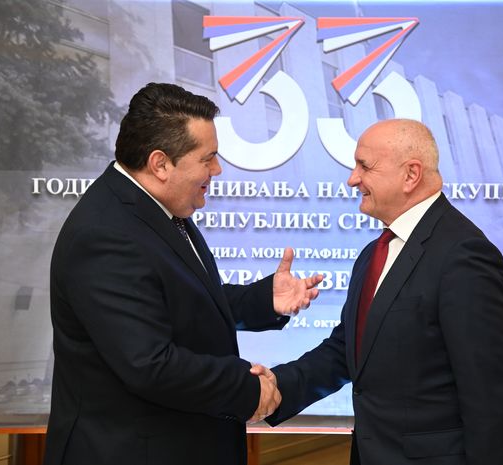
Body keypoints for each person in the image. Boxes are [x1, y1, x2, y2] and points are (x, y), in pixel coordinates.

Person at [44, 83, 322, 465]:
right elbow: (150, 364)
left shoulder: (154, 207)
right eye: (208, 158)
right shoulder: (105, 234)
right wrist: (247, 389)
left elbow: (181, 302)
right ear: (160, 164)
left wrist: (263, 300)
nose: (217, 169)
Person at [258, 119, 503, 465]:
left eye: (364, 166)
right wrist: (277, 386)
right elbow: (347, 351)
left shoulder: (464, 255)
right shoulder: (374, 253)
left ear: (411, 175)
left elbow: (491, 395)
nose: (352, 179)